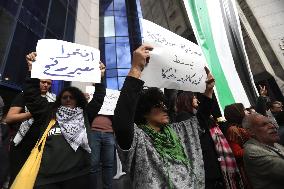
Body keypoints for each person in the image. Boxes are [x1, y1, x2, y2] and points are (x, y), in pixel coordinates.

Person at [112, 44, 216, 188]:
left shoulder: (179, 131)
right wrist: (136, 69)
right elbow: (122, 123)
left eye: (165, 104)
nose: (165, 108)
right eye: (157, 105)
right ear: (143, 111)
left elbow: (201, 120)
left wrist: (208, 91)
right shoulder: (138, 140)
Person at [20, 52, 92, 188]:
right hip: (47, 178)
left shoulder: (85, 115)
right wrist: (32, 69)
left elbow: (99, 98)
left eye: (72, 97)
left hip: (77, 176)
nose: (69, 99)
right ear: (60, 100)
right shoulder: (49, 112)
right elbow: (32, 96)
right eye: (65, 97)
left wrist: (99, 79)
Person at [5, 52, 56, 185]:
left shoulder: (54, 100)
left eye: (49, 83)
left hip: (41, 146)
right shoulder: (25, 96)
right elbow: (9, 118)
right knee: (17, 179)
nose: (46, 85)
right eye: (43, 82)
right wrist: (33, 113)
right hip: (22, 144)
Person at [176, 93, 244, 189]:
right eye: (194, 97)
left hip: (213, 162)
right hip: (206, 166)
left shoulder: (196, 115)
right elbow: (202, 117)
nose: (197, 99)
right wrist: (208, 93)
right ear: (186, 100)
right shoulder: (184, 117)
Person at [86, 63, 116, 189]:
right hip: (93, 132)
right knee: (93, 164)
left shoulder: (111, 97)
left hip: (109, 133)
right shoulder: (90, 98)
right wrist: (84, 100)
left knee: (109, 164)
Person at [242, 113, 284, 189]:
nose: (272, 126)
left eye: (271, 123)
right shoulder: (252, 151)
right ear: (251, 131)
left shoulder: (275, 144)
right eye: (264, 124)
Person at [224, 103, 251, 189]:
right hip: (248, 168)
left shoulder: (244, 125)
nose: (247, 112)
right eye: (244, 110)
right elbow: (237, 153)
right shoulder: (233, 130)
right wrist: (257, 148)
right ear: (237, 113)